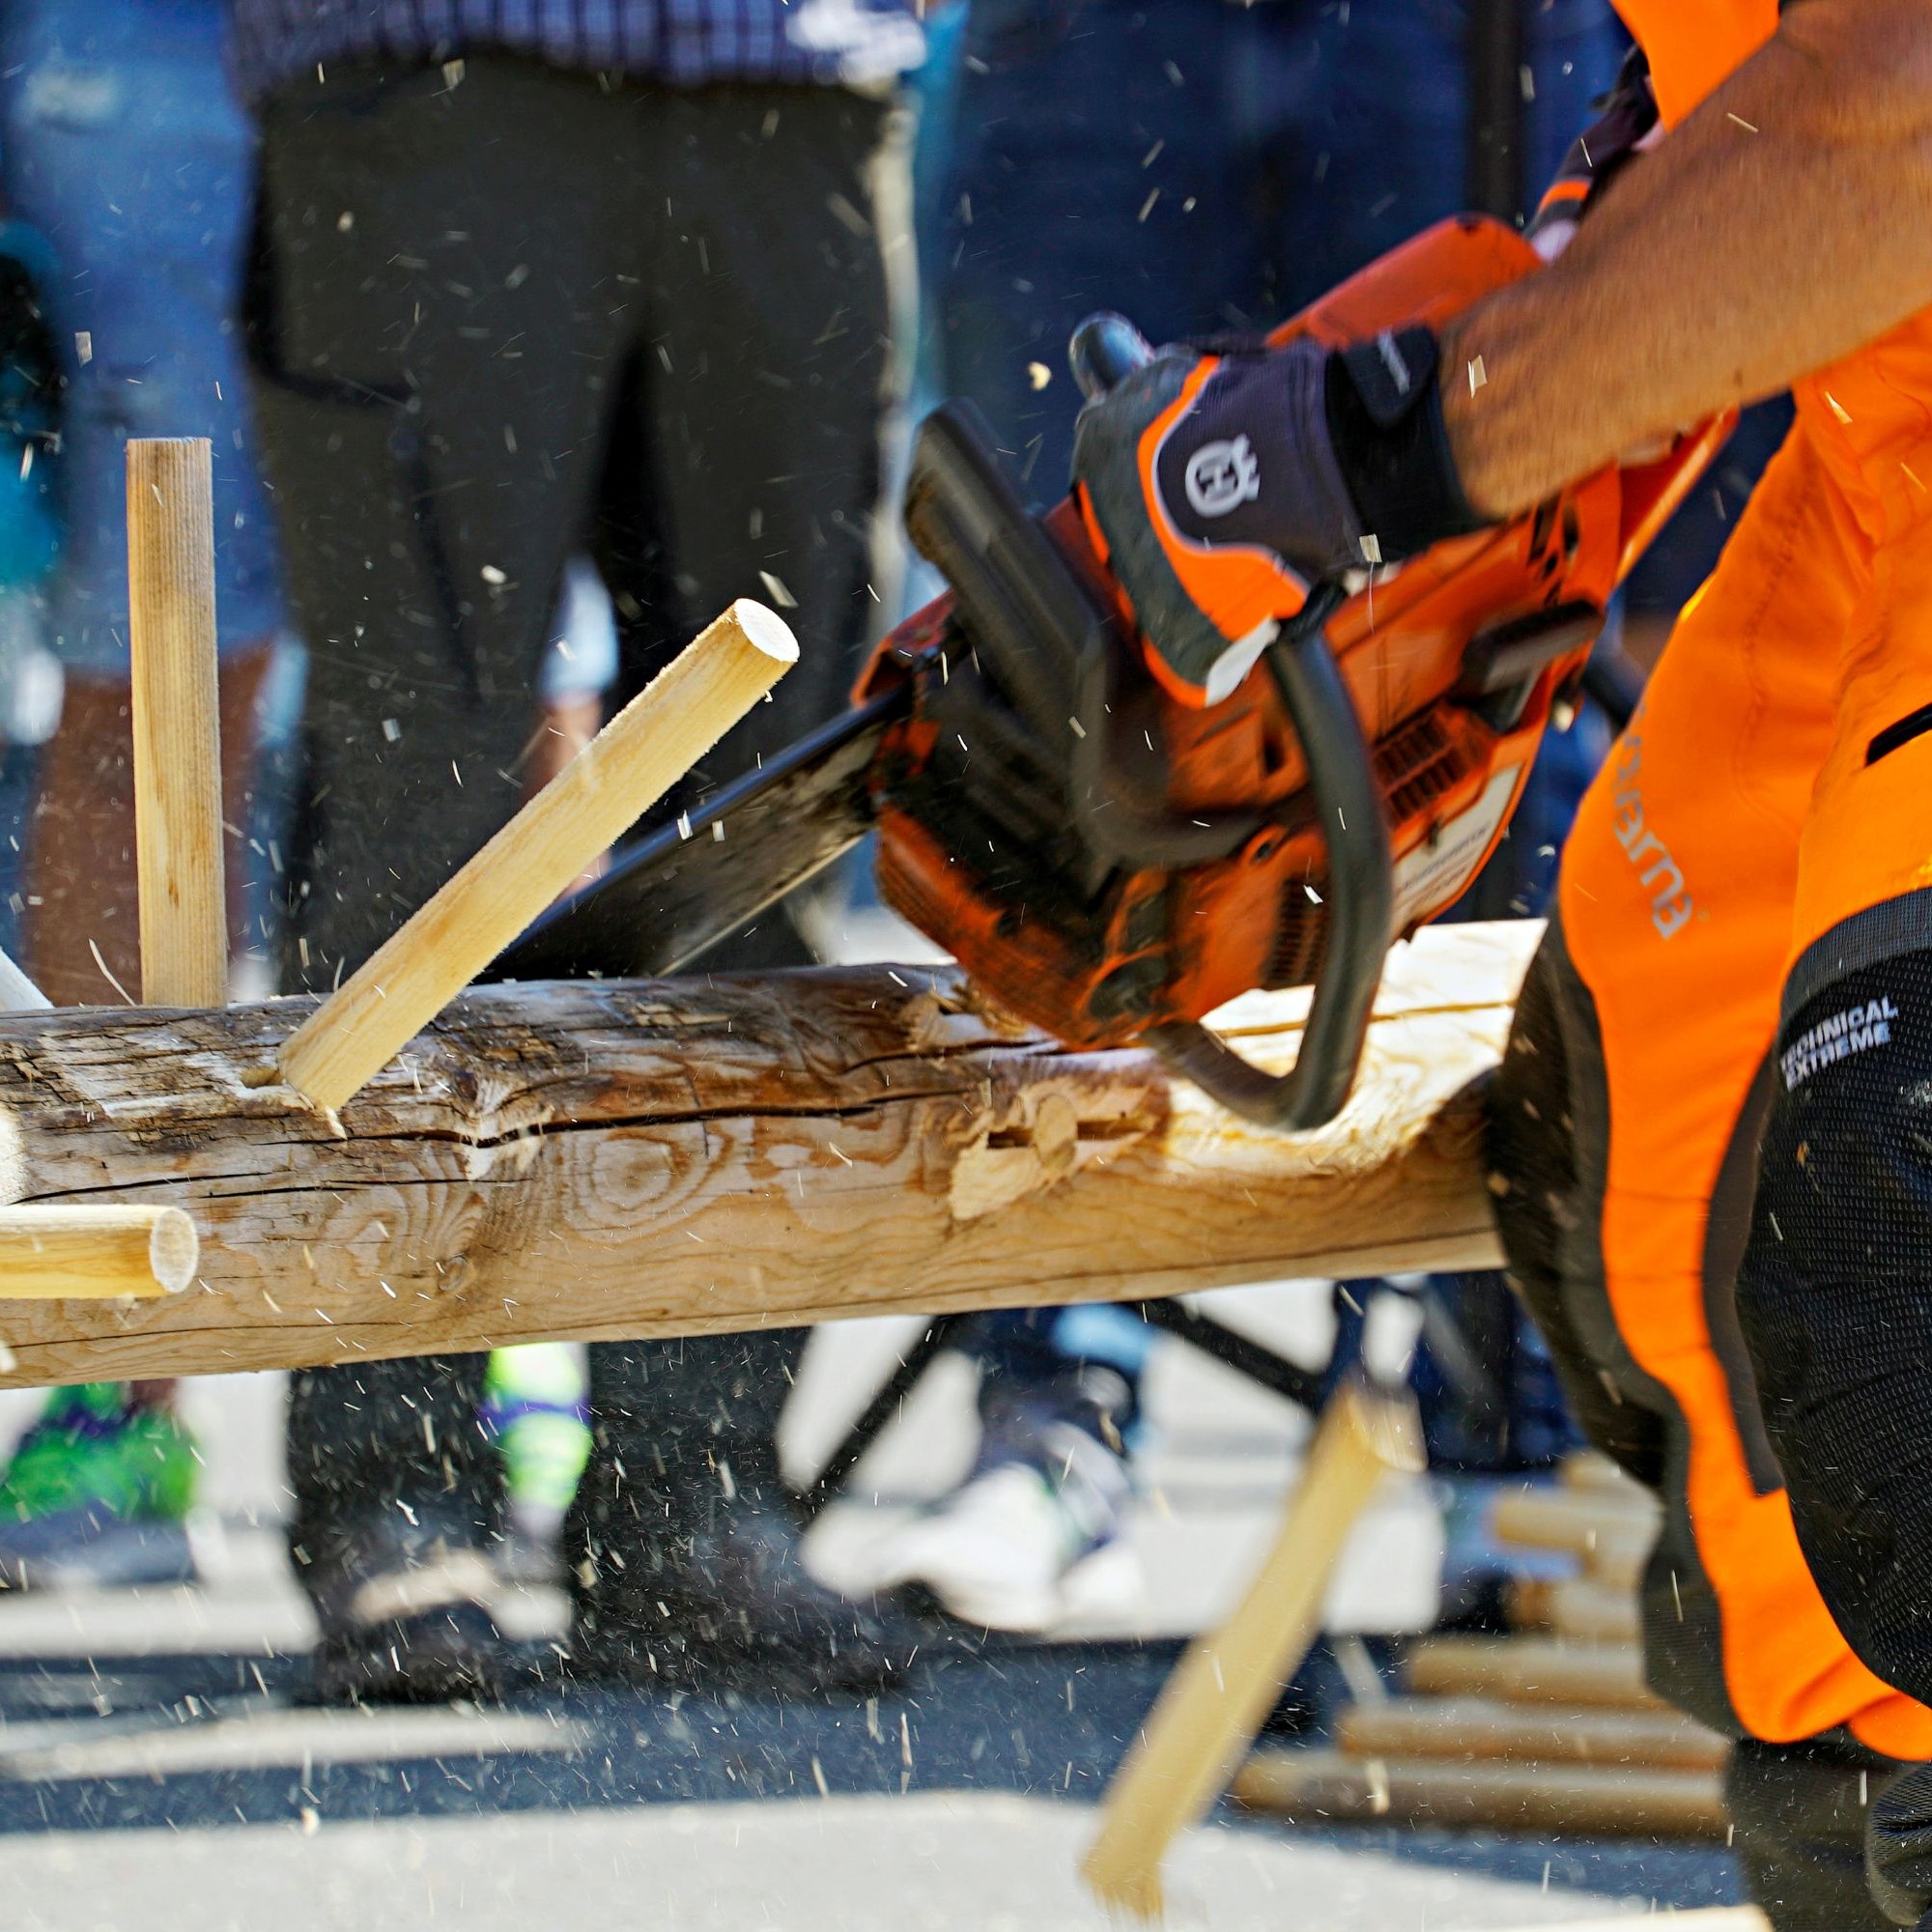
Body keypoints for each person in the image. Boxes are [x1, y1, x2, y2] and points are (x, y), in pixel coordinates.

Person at [954, 3, 1932, 1924]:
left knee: (1895, 1215)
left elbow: (1897, 99)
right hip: (1880, 435)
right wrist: (1626, 256)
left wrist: (1403, 441)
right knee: (1655, 1141)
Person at [866, 0, 1628, 1636]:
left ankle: (1523, 1446)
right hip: (1094, 42)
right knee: (1062, 670)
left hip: (1468, 41)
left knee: (1496, 655)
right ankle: (1059, 1399)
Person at [230, 0, 927, 1702]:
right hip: (438, 71)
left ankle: (693, 1496)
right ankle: (395, 1487)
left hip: (796, 77)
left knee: (777, 823)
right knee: (413, 805)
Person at [0, 0, 289, 1591]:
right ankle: (119, 1374)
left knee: (490, 664)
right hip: (141, 45)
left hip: (467, 63)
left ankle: (523, 1323)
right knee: (141, 685)